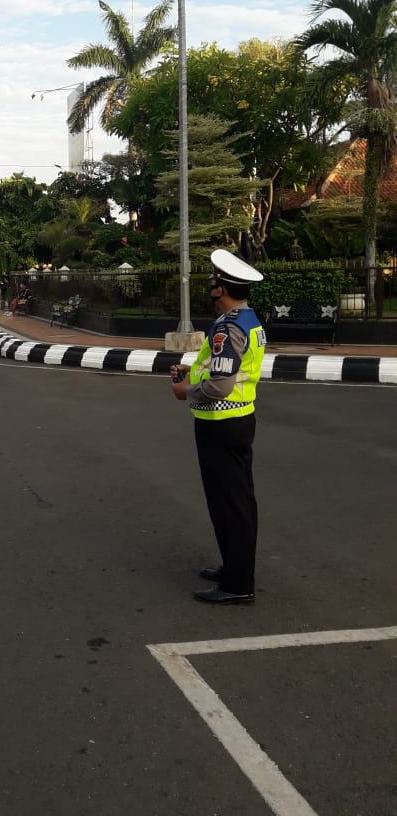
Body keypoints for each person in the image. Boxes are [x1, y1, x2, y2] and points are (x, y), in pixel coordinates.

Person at [170, 248, 266, 605]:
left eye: (213, 281)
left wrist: (186, 391)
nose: (210, 286)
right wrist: (192, 370)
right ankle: (233, 567)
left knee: (230, 504)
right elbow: (226, 369)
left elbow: (221, 385)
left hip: (222, 423)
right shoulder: (248, 321)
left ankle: (238, 584)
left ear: (221, 288)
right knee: (233, 501)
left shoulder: (229, 328)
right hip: (236, 420)